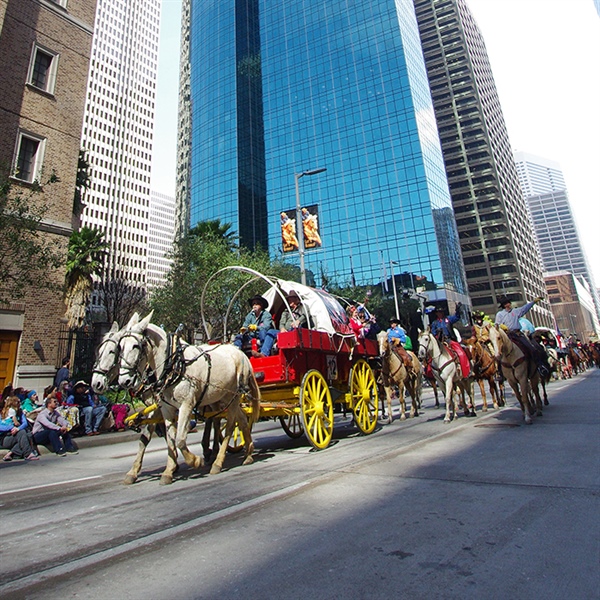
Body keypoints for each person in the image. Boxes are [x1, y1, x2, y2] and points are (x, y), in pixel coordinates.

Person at [495, 295, 549, 376]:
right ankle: (499, 373)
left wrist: (534, 302)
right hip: (506, 336)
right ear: (503, 305)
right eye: (505, 303)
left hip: (517, 334)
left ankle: (539, 366)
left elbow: (525, 308)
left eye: (508, 302)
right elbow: (496, 325)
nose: (508, 304)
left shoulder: (515, 311)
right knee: (498, 353)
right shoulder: (500, 314)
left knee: (532, 348)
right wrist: (500, 326)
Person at [430, 304, 470, 377]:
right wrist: (437, 334)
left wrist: (457, 310)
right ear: (436, 313)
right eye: (438, 312)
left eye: (441, 312)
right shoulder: (434, 323)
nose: (440, 313)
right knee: (430, 357)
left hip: (449, 340)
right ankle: (431, 375)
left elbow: (457, 317)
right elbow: (433, 333)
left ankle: (466, 371)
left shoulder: (448, 319)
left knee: (460, 352)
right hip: (439, 342)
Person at [1, 396, 39, 461]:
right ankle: (28, 454)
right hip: (4, 438)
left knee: (26, 434)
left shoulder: (20, 412)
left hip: (16, 434)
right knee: (23, 433)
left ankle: (10, 453)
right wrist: (11, 427)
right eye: (18, 402)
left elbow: (25, 423)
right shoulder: (3, 413)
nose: (20, 404)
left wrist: (17, 429)